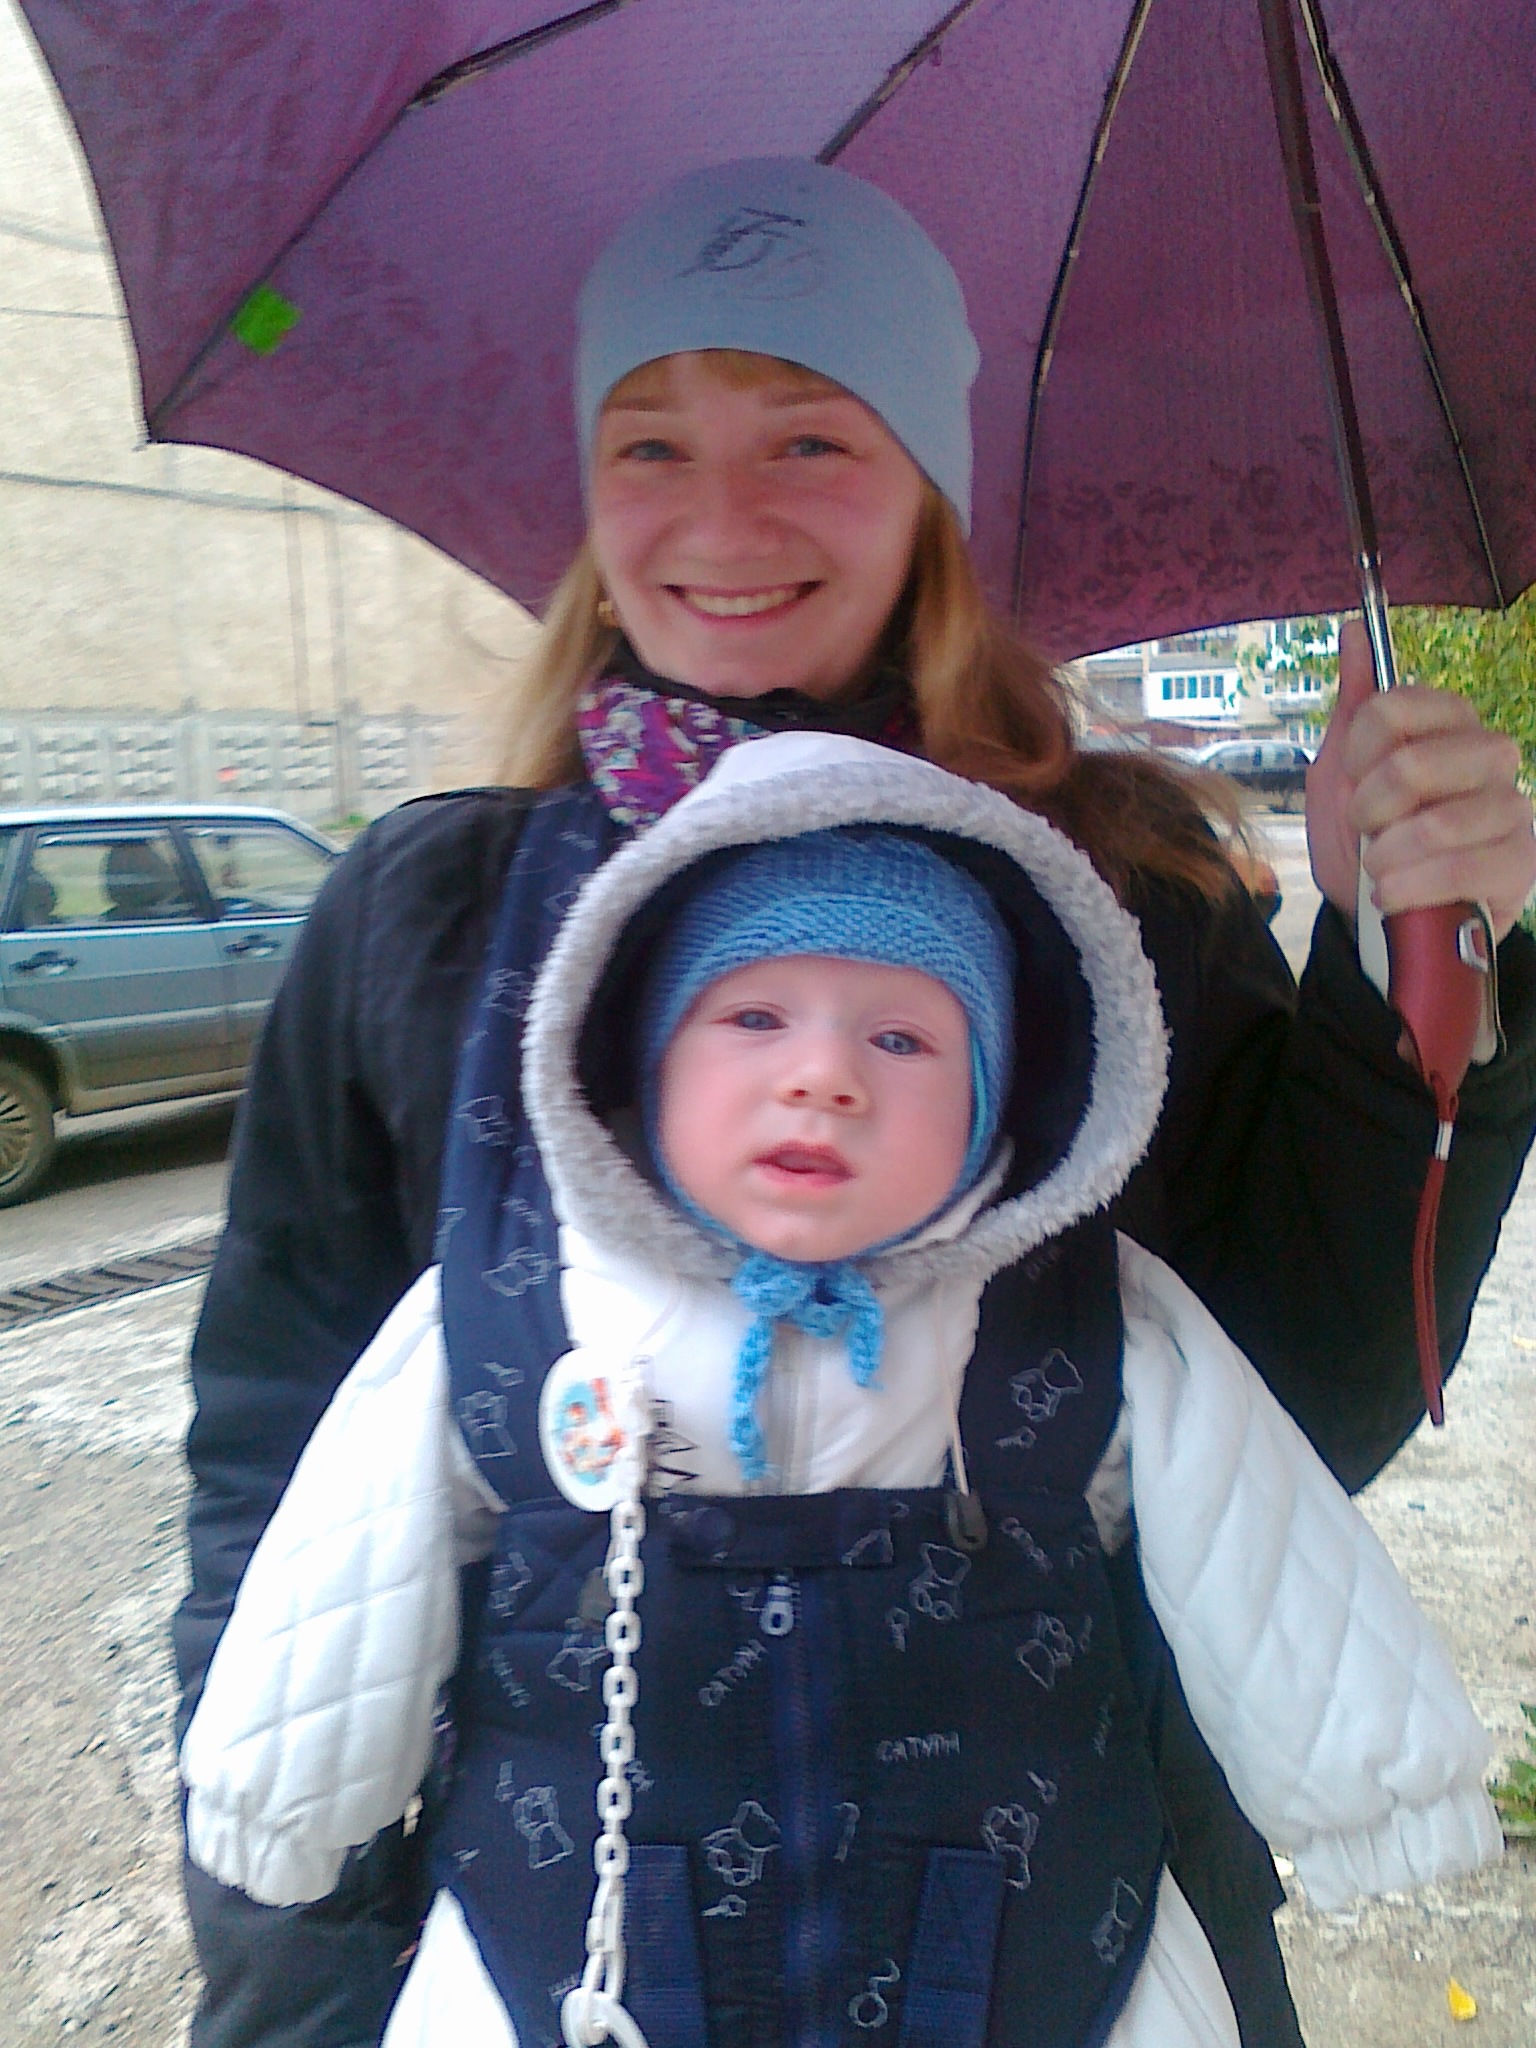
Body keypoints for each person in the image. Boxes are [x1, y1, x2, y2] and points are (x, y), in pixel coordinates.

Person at [173, 157, 1536, 2048]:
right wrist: (301, 1982)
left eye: (810, 438)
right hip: (563, 1963)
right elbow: (277, 1479)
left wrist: (1414, 988)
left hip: (1071, 1950)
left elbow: (1305, 1404)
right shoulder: (426, 917)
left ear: (930, 492)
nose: (720, 516)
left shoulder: (1122, 903)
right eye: (650, 445)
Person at [180, 734, 1501, 2048]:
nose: (823, 1074)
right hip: (579, 1962)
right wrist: (280, 1807)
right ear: (643, 1060)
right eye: (753, 1018)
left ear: (995, 1108)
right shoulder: (510, 1312)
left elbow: (1258, 1543)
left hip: (1038, 1950)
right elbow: (352, 1560)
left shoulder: (1085, 1316)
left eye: (903, 1038)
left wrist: (1375, 1793)